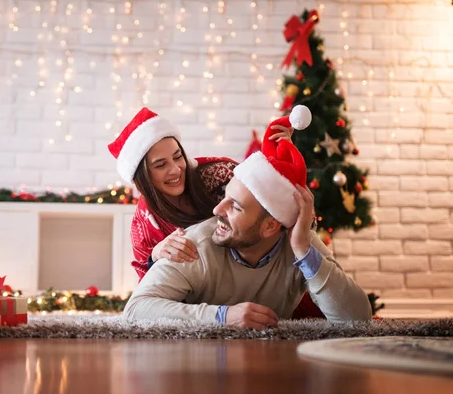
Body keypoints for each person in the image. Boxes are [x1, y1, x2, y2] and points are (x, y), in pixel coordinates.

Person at [122, 106, 372, 327]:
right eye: (160, 165)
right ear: (144, 175)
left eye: (177, 157)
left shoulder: (221, 175)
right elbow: (138, 307)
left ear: (272, 225)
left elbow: (358, 320)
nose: (216, 210)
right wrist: (221, 316)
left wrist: (304, 250)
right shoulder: (190, 244)